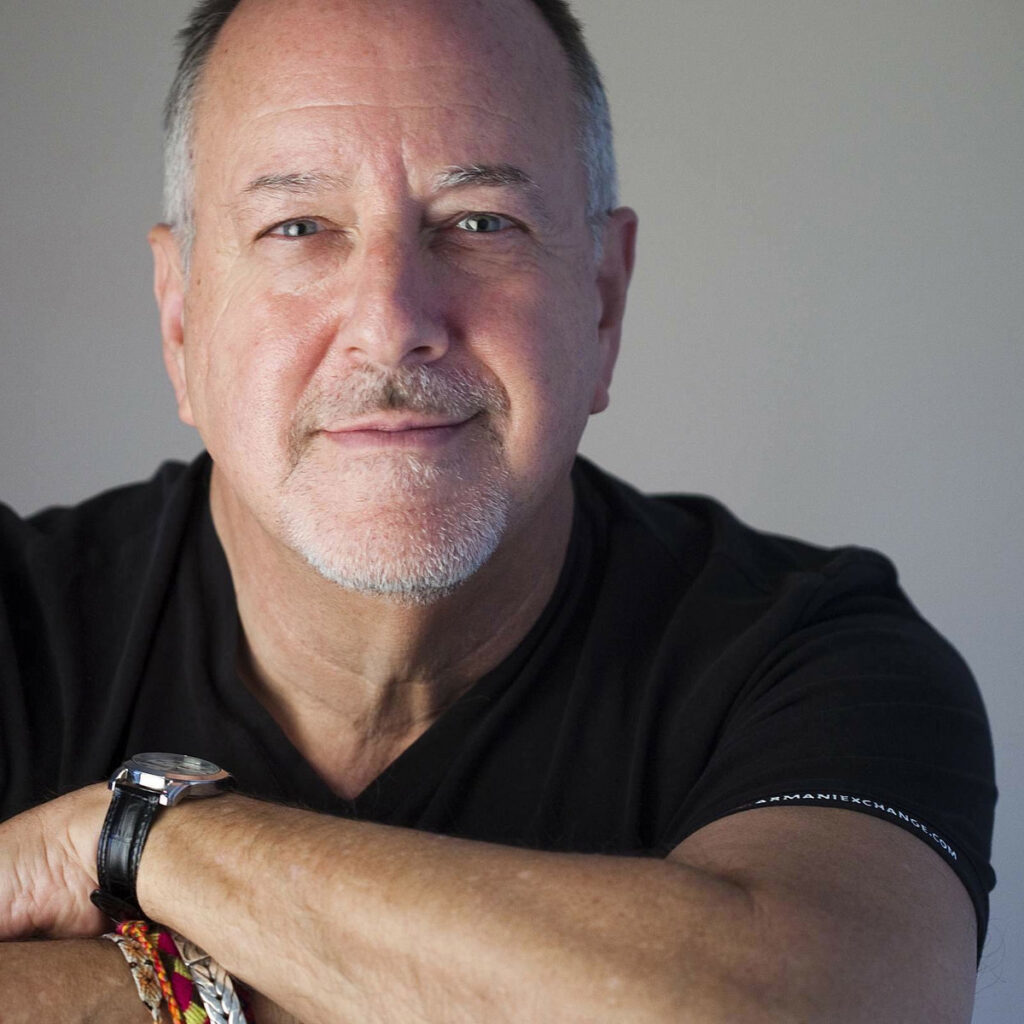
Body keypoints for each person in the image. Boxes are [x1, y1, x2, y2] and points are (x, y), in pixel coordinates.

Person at [0, 0, 995, 1020]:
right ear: (179, 316)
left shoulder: (812, 652)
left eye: (480, 222)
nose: (391, 323)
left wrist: (138, 842)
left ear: (603, 299)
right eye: (298, 227)